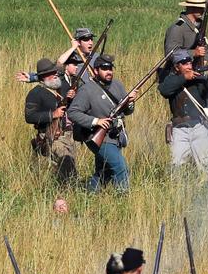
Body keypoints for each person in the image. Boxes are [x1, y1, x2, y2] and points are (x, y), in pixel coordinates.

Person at [68, 54, 136, 192]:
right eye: (104, 68)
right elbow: (72, 112)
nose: (109, 71)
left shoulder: (117, 85)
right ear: (96, 70)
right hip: (97, 136)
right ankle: (123, 201)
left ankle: (89, 196)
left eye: (110, 68)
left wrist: (130, 103)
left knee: (104, 172)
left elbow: (127, 112)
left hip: (115, 135)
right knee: (120, 168)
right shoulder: (87, 89)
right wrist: (96, 121)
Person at [158, 49, 208, 173]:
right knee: (177, 166)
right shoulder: (172, 80)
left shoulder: (198, 79)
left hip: (198, 126)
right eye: (184, 64)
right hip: (179, 130)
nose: (189, 66)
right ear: (176, 67)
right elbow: (164, 90)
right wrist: (184, 77)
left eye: (190, 63)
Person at [24, 58, 76, 183]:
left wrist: (69, 98)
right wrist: (53, 114)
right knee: (67, 166)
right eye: (51, 73)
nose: (55, 75)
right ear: (43, 77)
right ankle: (64, 193)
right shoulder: (35, 93)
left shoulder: (59, 90)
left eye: (55, 72)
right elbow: (29, 116)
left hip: (68, 135)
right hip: (52, 137)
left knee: (67, 167)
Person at [161, 0, 207, 82]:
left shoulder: (200, 26)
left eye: (203, 7)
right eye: (199, 7)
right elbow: (170, 53)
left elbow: (205, 46)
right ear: (190, 7)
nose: (202, 10)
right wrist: (194, 53)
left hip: (195, 73)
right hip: (177, 76)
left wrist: (204, 60)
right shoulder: (177, 28)